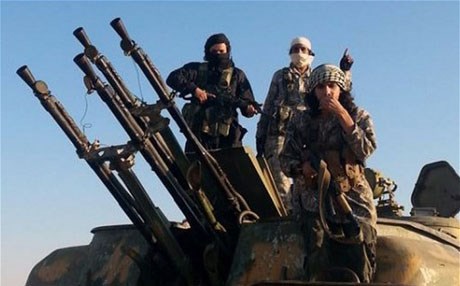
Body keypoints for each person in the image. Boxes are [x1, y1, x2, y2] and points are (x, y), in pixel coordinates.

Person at [280, 64, 377, 283]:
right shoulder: (302, 120)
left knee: (360, 256)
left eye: (332, 86)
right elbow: (285, 159)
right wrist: (300, 168)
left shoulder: (358, 115)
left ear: (341, 88)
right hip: (314, 201)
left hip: (352, 198)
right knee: (318, 260)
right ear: (313, 91)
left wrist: (343, 116)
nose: (327, 92)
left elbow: (366, 149)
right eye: (321, 87)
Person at [255, 36, 354, 213]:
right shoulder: (280, 76)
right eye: (295, 49)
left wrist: (345, 70)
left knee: (307, 180)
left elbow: (341, 89)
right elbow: (269, 105)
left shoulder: (317, 77)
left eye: (303, 50)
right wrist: (260, 135)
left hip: (307, 136)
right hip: (280, 135)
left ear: (310, 53)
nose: (299, 53)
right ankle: (286, 220)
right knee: (281, 183)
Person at [166, 33, 257, 152]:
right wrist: (195, 90)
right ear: (208, 52)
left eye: (221, 51)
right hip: (199, 135)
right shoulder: (196, 69)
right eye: (215, 52)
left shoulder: (237, 75)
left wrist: (249, 109)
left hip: (227, 137)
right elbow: (173, 78)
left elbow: (247, 103)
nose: (219, 55)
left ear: (227, 51)